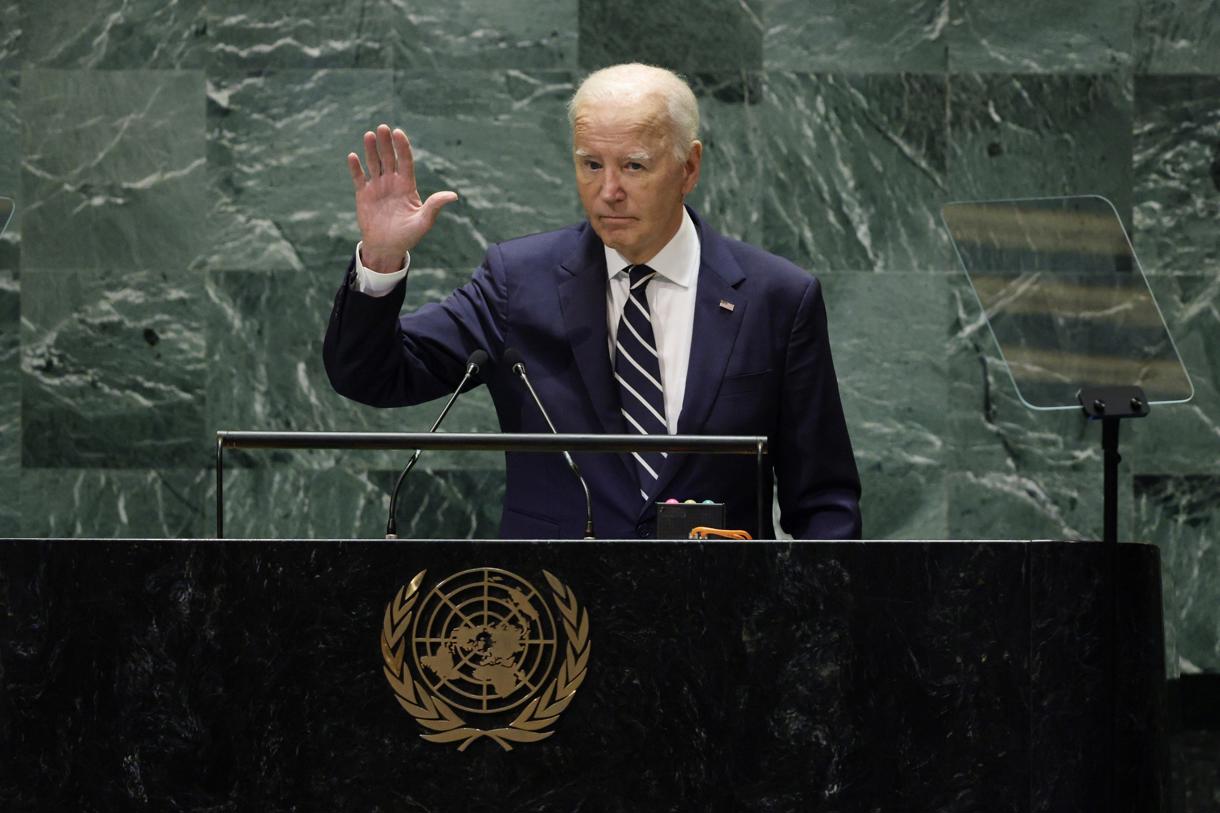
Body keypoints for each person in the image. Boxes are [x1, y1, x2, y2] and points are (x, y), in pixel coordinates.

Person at [324, 63, 861, 540]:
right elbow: (371, 375)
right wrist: (381, 257)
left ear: (689, 168)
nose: (608, 191)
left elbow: (824, 502)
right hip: (550, 624)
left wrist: (809, 633)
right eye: (590, 165)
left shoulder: (776, 298)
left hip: (720, 620)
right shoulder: (519, 283)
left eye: (633, 166)